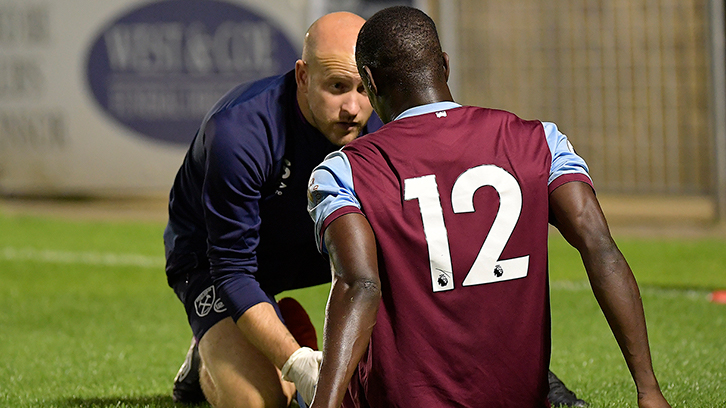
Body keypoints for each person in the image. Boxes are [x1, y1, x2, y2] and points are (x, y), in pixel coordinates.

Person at [307, 6, 671, 408]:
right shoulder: (541, 141)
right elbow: (599, 246)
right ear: (444, 65)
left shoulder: (344, 171)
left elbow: (359, 285)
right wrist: (648, 390)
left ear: (370, 81)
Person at [164, 11, 378, 408]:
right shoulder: (239, 134)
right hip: (213, 260)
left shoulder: (382, 122)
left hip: (310, 246)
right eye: (336, 86)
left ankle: (279, 327)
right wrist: (297, 363)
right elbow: (232, 268)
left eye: (364, 88)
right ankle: (209, 358)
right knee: (259, 403)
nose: (353, 107)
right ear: (302, 76)